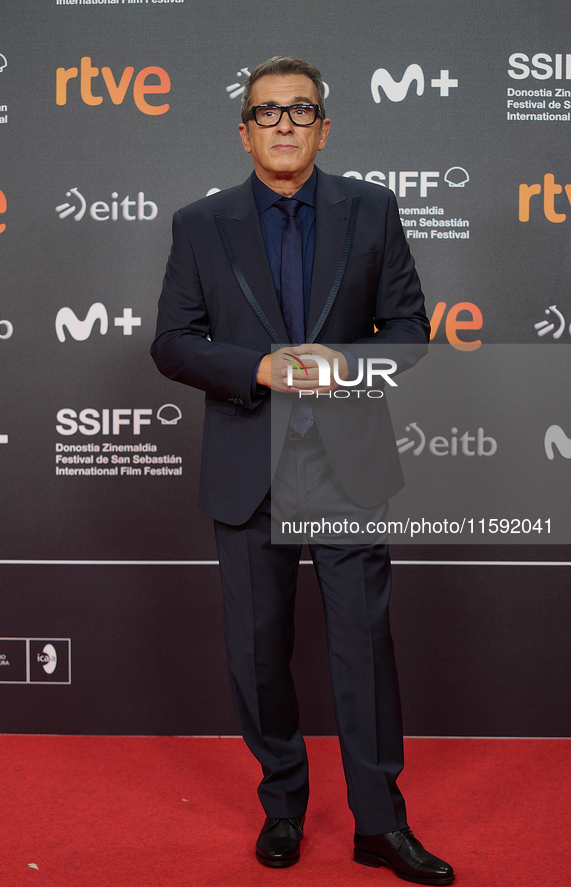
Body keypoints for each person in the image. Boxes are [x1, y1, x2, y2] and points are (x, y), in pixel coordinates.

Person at [151, 56, 454, 885]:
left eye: (300, 110)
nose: (283, 123)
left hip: (345, 464)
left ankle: (380, 824)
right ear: (243, 130)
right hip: (248, 463)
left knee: (363, 648)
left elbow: (409, 332)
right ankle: (282, 803)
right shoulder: (198, 223)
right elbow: (171, 343)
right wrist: (256, 370)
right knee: (257, 651)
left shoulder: (372, 209)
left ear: (324, 126)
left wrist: (345, 366)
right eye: (266, 111)